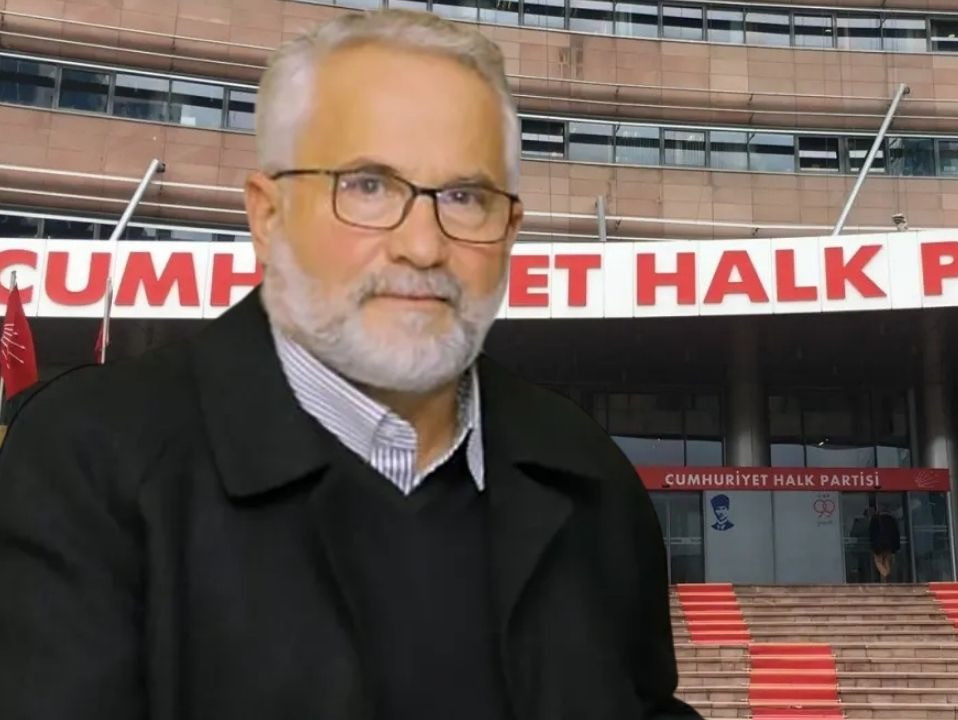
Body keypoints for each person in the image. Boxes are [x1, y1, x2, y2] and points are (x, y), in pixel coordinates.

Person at [0, 11, 701, 720]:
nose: (422, 246)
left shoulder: (586, 473)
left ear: (510, 229)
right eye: (367, 186)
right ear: (268, 216)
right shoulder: (89, 461)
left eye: (465, 197)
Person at [867, 494, 901, 582]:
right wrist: (896, 547)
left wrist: (872, 545)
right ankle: (886, 578)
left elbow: (872, 533)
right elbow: (896, 533)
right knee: (887, 561)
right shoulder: (891, 520)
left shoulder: (875, 519)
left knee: (878, 561)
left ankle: (885, 575)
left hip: (878, 544)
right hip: (889, 545)